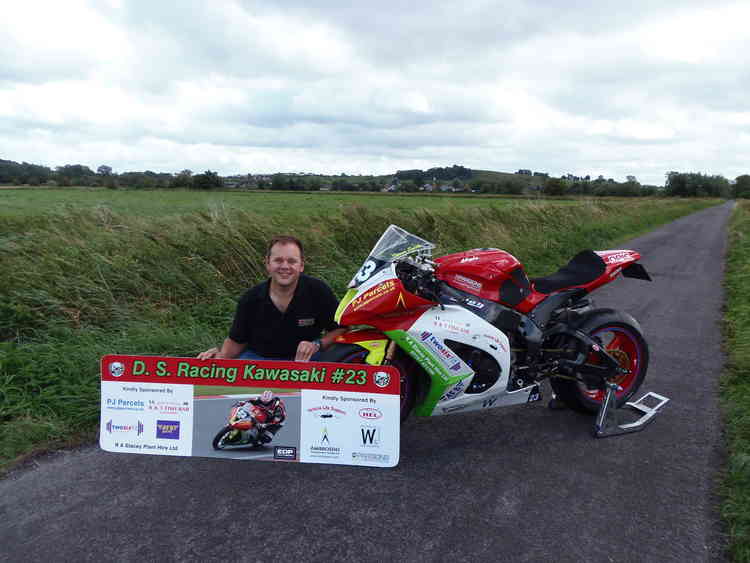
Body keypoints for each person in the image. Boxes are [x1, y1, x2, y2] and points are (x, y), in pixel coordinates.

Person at [198, 234, 345, 362]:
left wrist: (317, 345)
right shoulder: (250, 299)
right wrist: (218, 358)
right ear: (267, 263)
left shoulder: (318, 291)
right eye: (278, 260)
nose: (285, 266)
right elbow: (237, 341)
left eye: (292, 261)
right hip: (260, 363)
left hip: (307, 362)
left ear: (301, 265)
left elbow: (341, 330)